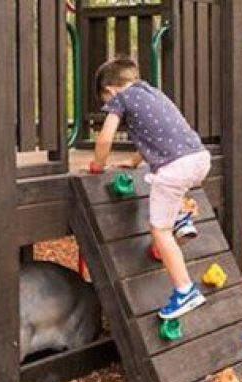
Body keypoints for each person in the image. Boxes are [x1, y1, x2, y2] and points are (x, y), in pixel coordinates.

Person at [89, 57, 208, 320]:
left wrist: (98, 164)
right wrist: (133, 162)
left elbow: (105, 139)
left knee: (160, 231)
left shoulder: (120, 98)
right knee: (170, 184)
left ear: (110, 90)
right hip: (199, 158)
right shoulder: (153, 94)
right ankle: (181, 217)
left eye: (105, 100)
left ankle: (185, 290)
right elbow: (157, 135)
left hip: (175, 168)